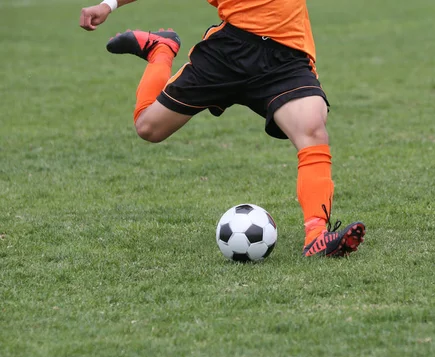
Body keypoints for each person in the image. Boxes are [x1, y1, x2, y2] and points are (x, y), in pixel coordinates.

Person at [79, 0, 365, 257]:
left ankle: (316, 236)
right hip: (228, 52)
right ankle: (160, 50)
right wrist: (109, 5)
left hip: (285, 56)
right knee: (148, 127)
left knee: (312, 130)